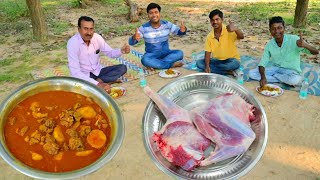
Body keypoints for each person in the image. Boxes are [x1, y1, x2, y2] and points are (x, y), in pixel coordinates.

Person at [249, 16, 319, 87]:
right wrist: (263, 77)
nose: (276, 31)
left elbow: (316, 52)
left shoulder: (294, 40)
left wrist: (305, 45)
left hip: (290, 71)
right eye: (273, 29)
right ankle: (281, 79)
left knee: (294, 80)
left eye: (279, 28)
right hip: (275, 69)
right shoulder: (269, 44)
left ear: (284, 28)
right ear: (270, 30)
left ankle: (277, 78)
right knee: (252, 73)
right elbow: (262, 63)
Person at [67, 16, 130, 93]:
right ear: (79, 29)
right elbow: (75, 72)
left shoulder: (97, 38)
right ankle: (100, 82)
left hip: (98, 71)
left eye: (91, 29)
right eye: (85, 29)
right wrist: (98, 84)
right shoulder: (72, 43)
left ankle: (97, 82)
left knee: (122, 68)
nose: (89, 33)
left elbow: (109, 52)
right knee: (78, 86)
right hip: (84, 75)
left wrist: (121, 51)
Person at [128, 2, 187, 69]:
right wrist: (134, 38)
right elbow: (131, 42)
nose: (154, 15)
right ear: (148, 15)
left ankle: (156, 64)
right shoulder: (144, 28)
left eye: (156, 12)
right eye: (151, 13)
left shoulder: (166, 24)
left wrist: (183, 31)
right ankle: (170, 65)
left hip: (166, 53)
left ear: (159, 13)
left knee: (180, 53)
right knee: (145, 60)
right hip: (152, 55)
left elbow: (179, 32)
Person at [196, 9, 244, 75]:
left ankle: (220, 70)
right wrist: (207, 66)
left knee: (231, 65)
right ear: (210, 21)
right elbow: (207, 52)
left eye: (217, 19)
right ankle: (227, 72)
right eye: (212, 20)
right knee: (199, 63)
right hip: (217, 61)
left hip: (232, 60)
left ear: (222, 19)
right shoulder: (210, 36)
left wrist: (236, 29)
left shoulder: (228, 30)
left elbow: (241, 37)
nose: (215, 22)